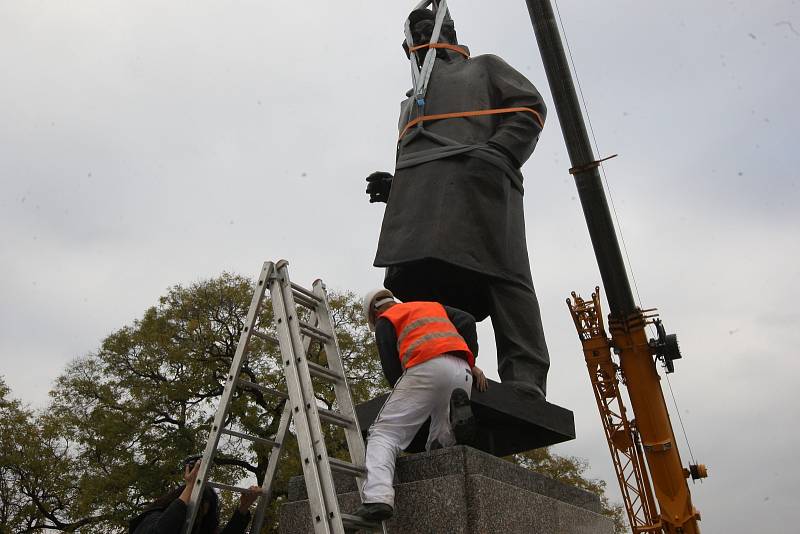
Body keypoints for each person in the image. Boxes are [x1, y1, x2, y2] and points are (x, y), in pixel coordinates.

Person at [366, 6, 550, 399]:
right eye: (413, 35)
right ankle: (444, 364)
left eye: (427, 30)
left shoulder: (484, 69)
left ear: (448, 32)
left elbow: (530, 107)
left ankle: (525, 376)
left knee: (505, 276)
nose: (420, 41)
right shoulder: (410, 103)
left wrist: (496, 154)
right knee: (430, 290)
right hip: (423, 206)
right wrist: (397, 187)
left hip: (481, 187)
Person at [353, 288, 489, 522]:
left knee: (384, 434)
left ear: (374, 314)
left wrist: (407, 391)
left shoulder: (386, 320)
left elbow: (391, 367)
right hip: (463, 372)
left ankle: (378, 498)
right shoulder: (432, 306)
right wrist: (471, 360)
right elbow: (466, 320)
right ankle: (444, 477)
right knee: (441, 439)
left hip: (425, 367)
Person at [129, 459, 261, 534]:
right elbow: (161, 531)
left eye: (204, 514)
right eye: (197, 511)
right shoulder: (152, 518)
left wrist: (243, 508)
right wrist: (190, 487)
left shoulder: (201, 529)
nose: (199, 518)